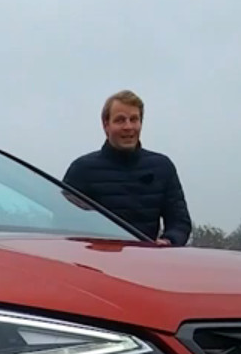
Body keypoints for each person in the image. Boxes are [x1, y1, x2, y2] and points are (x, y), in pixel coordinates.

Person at [62, 89, 193, 246]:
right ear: (106, 125)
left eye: (134, 119)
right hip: (95, 259)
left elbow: (180, 222)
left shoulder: (162, 168)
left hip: (146, 258)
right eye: (120, 120)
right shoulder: (81, 170)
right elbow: (64, 223)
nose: (128, 126)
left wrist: (169, 241)